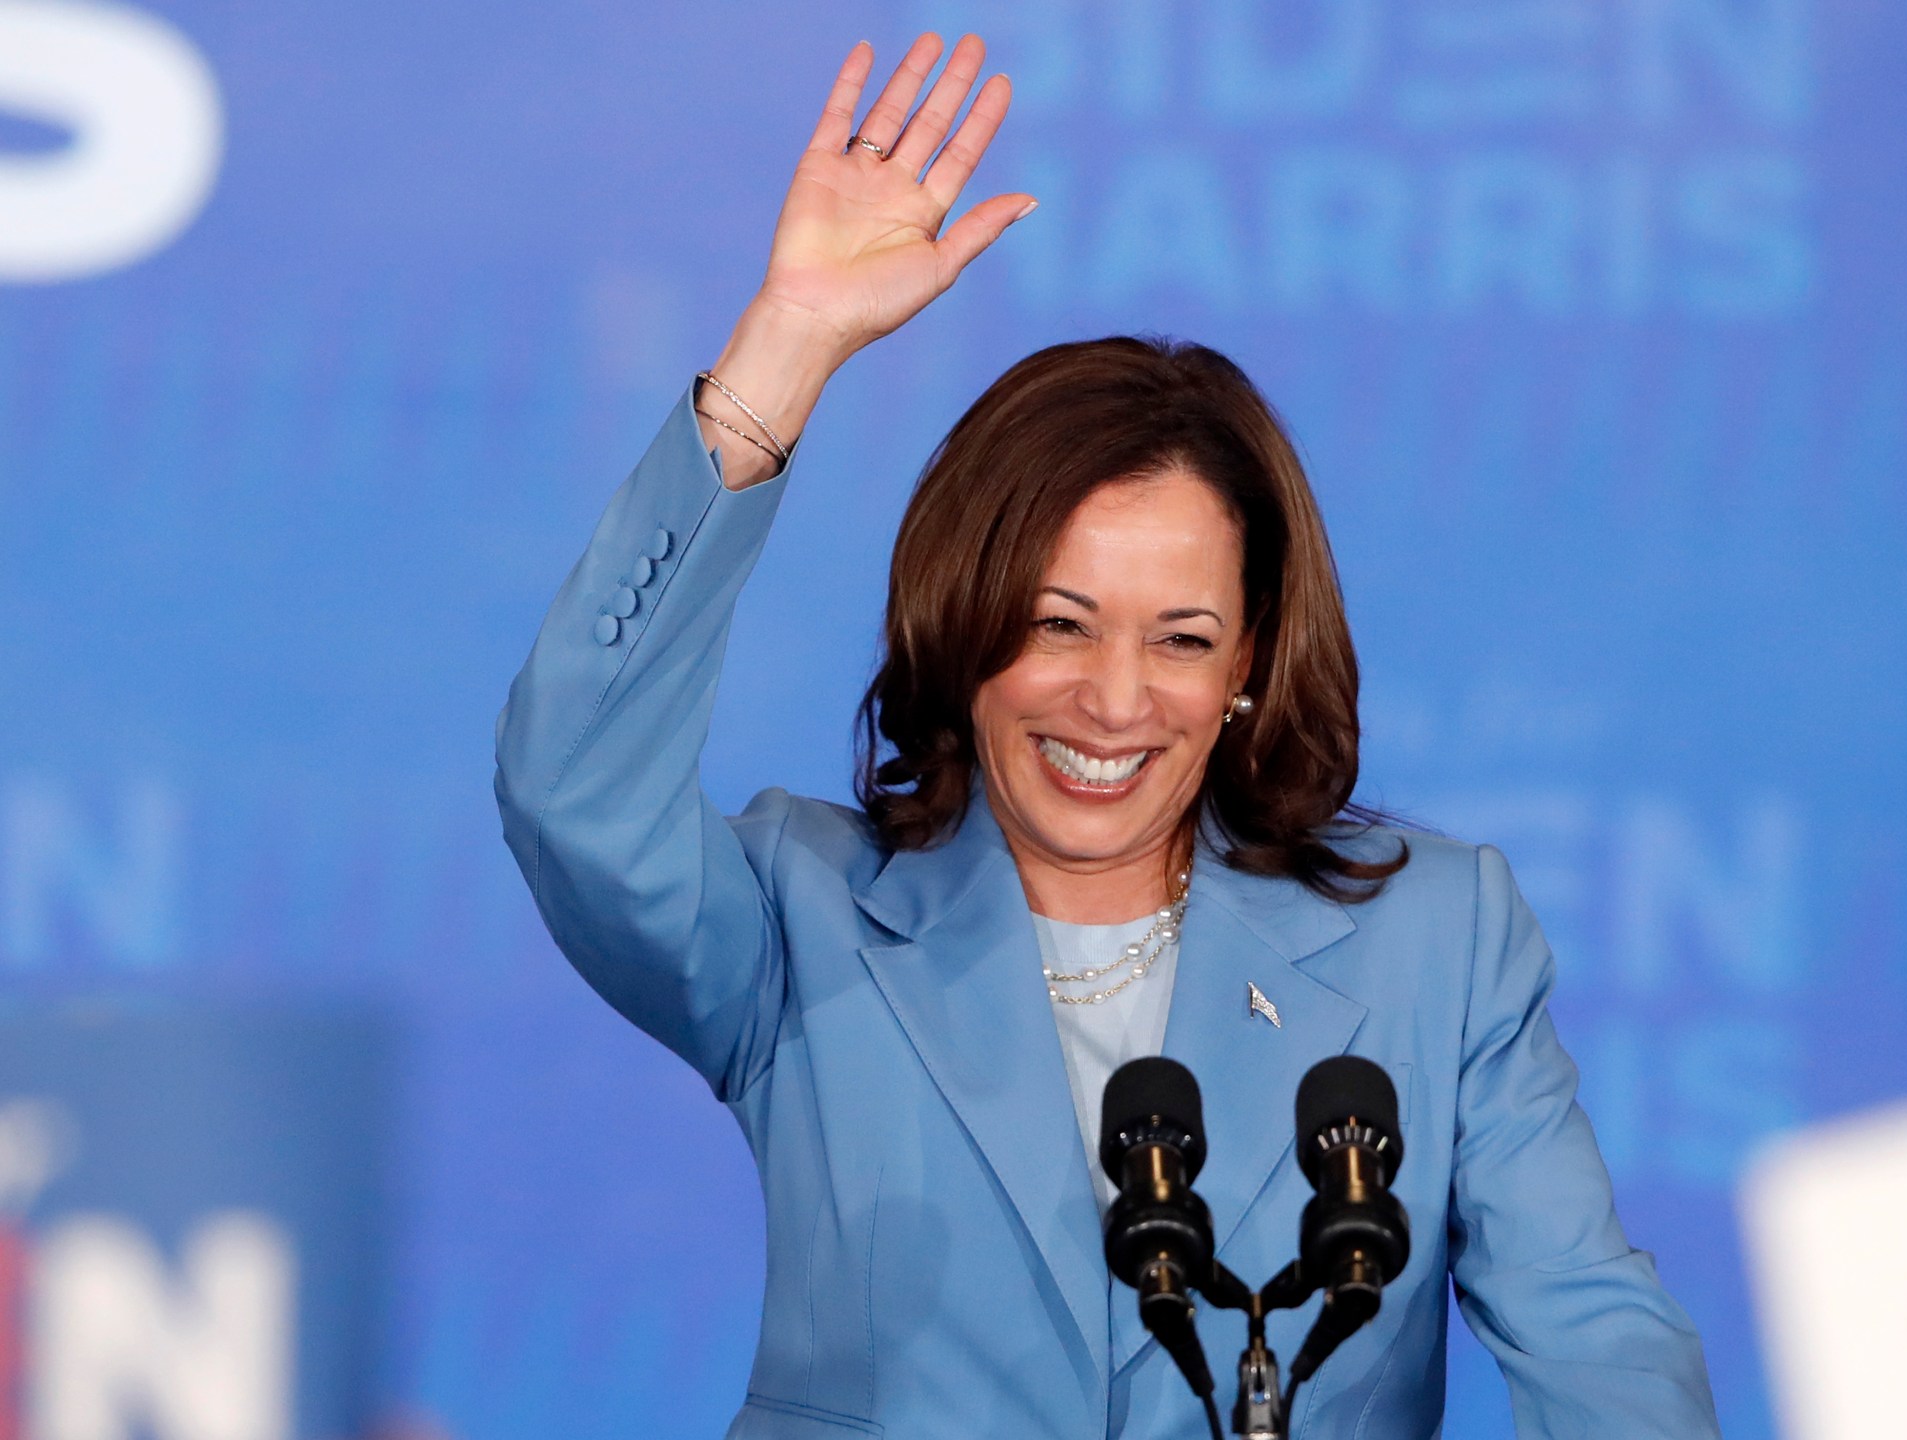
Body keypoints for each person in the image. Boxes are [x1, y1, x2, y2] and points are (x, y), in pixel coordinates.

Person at [494, 32, 1719, 1440]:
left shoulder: (1438, 942)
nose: (1115, 701)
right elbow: (569, 789)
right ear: (967, 623)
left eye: (1182, 640)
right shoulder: (803, 916)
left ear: (1250, 663)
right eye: (1060, 624)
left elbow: (1594, 1330)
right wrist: (787, 349)